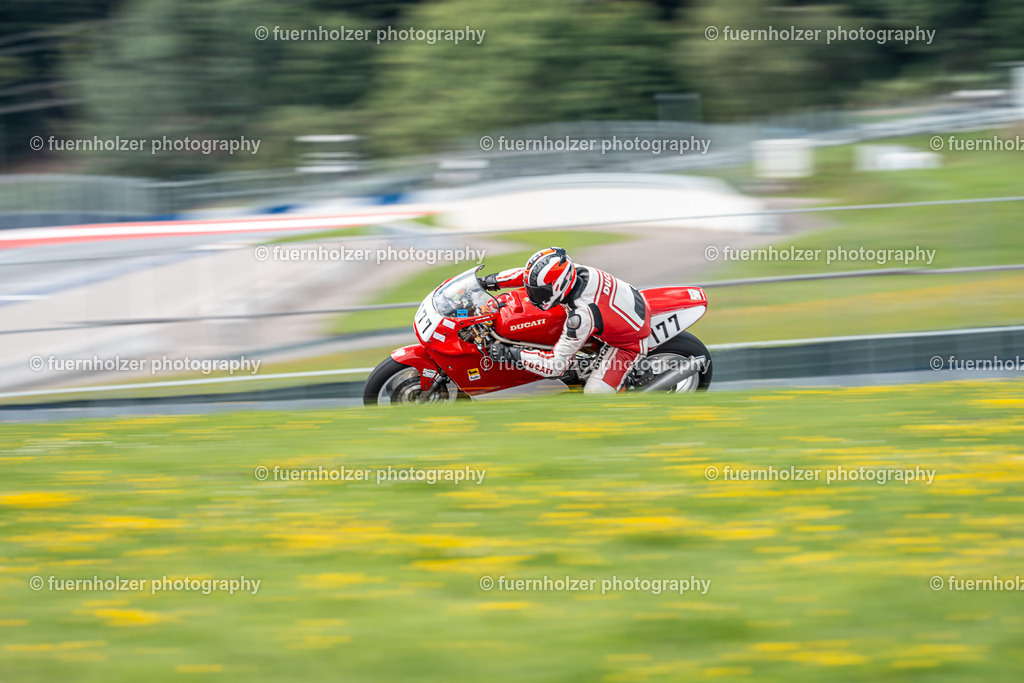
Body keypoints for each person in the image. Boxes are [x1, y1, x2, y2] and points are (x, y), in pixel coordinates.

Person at [480, 247, 651, 394]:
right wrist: (489, 282)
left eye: (539, 292)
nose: (533, 296)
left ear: (558, 286)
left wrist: (509, 353)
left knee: (596, 393)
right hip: (621, 306)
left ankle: (624, 391)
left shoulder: (581, 316)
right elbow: (526, 275)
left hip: (627, 343)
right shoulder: (569, 271)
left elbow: (555, 366)